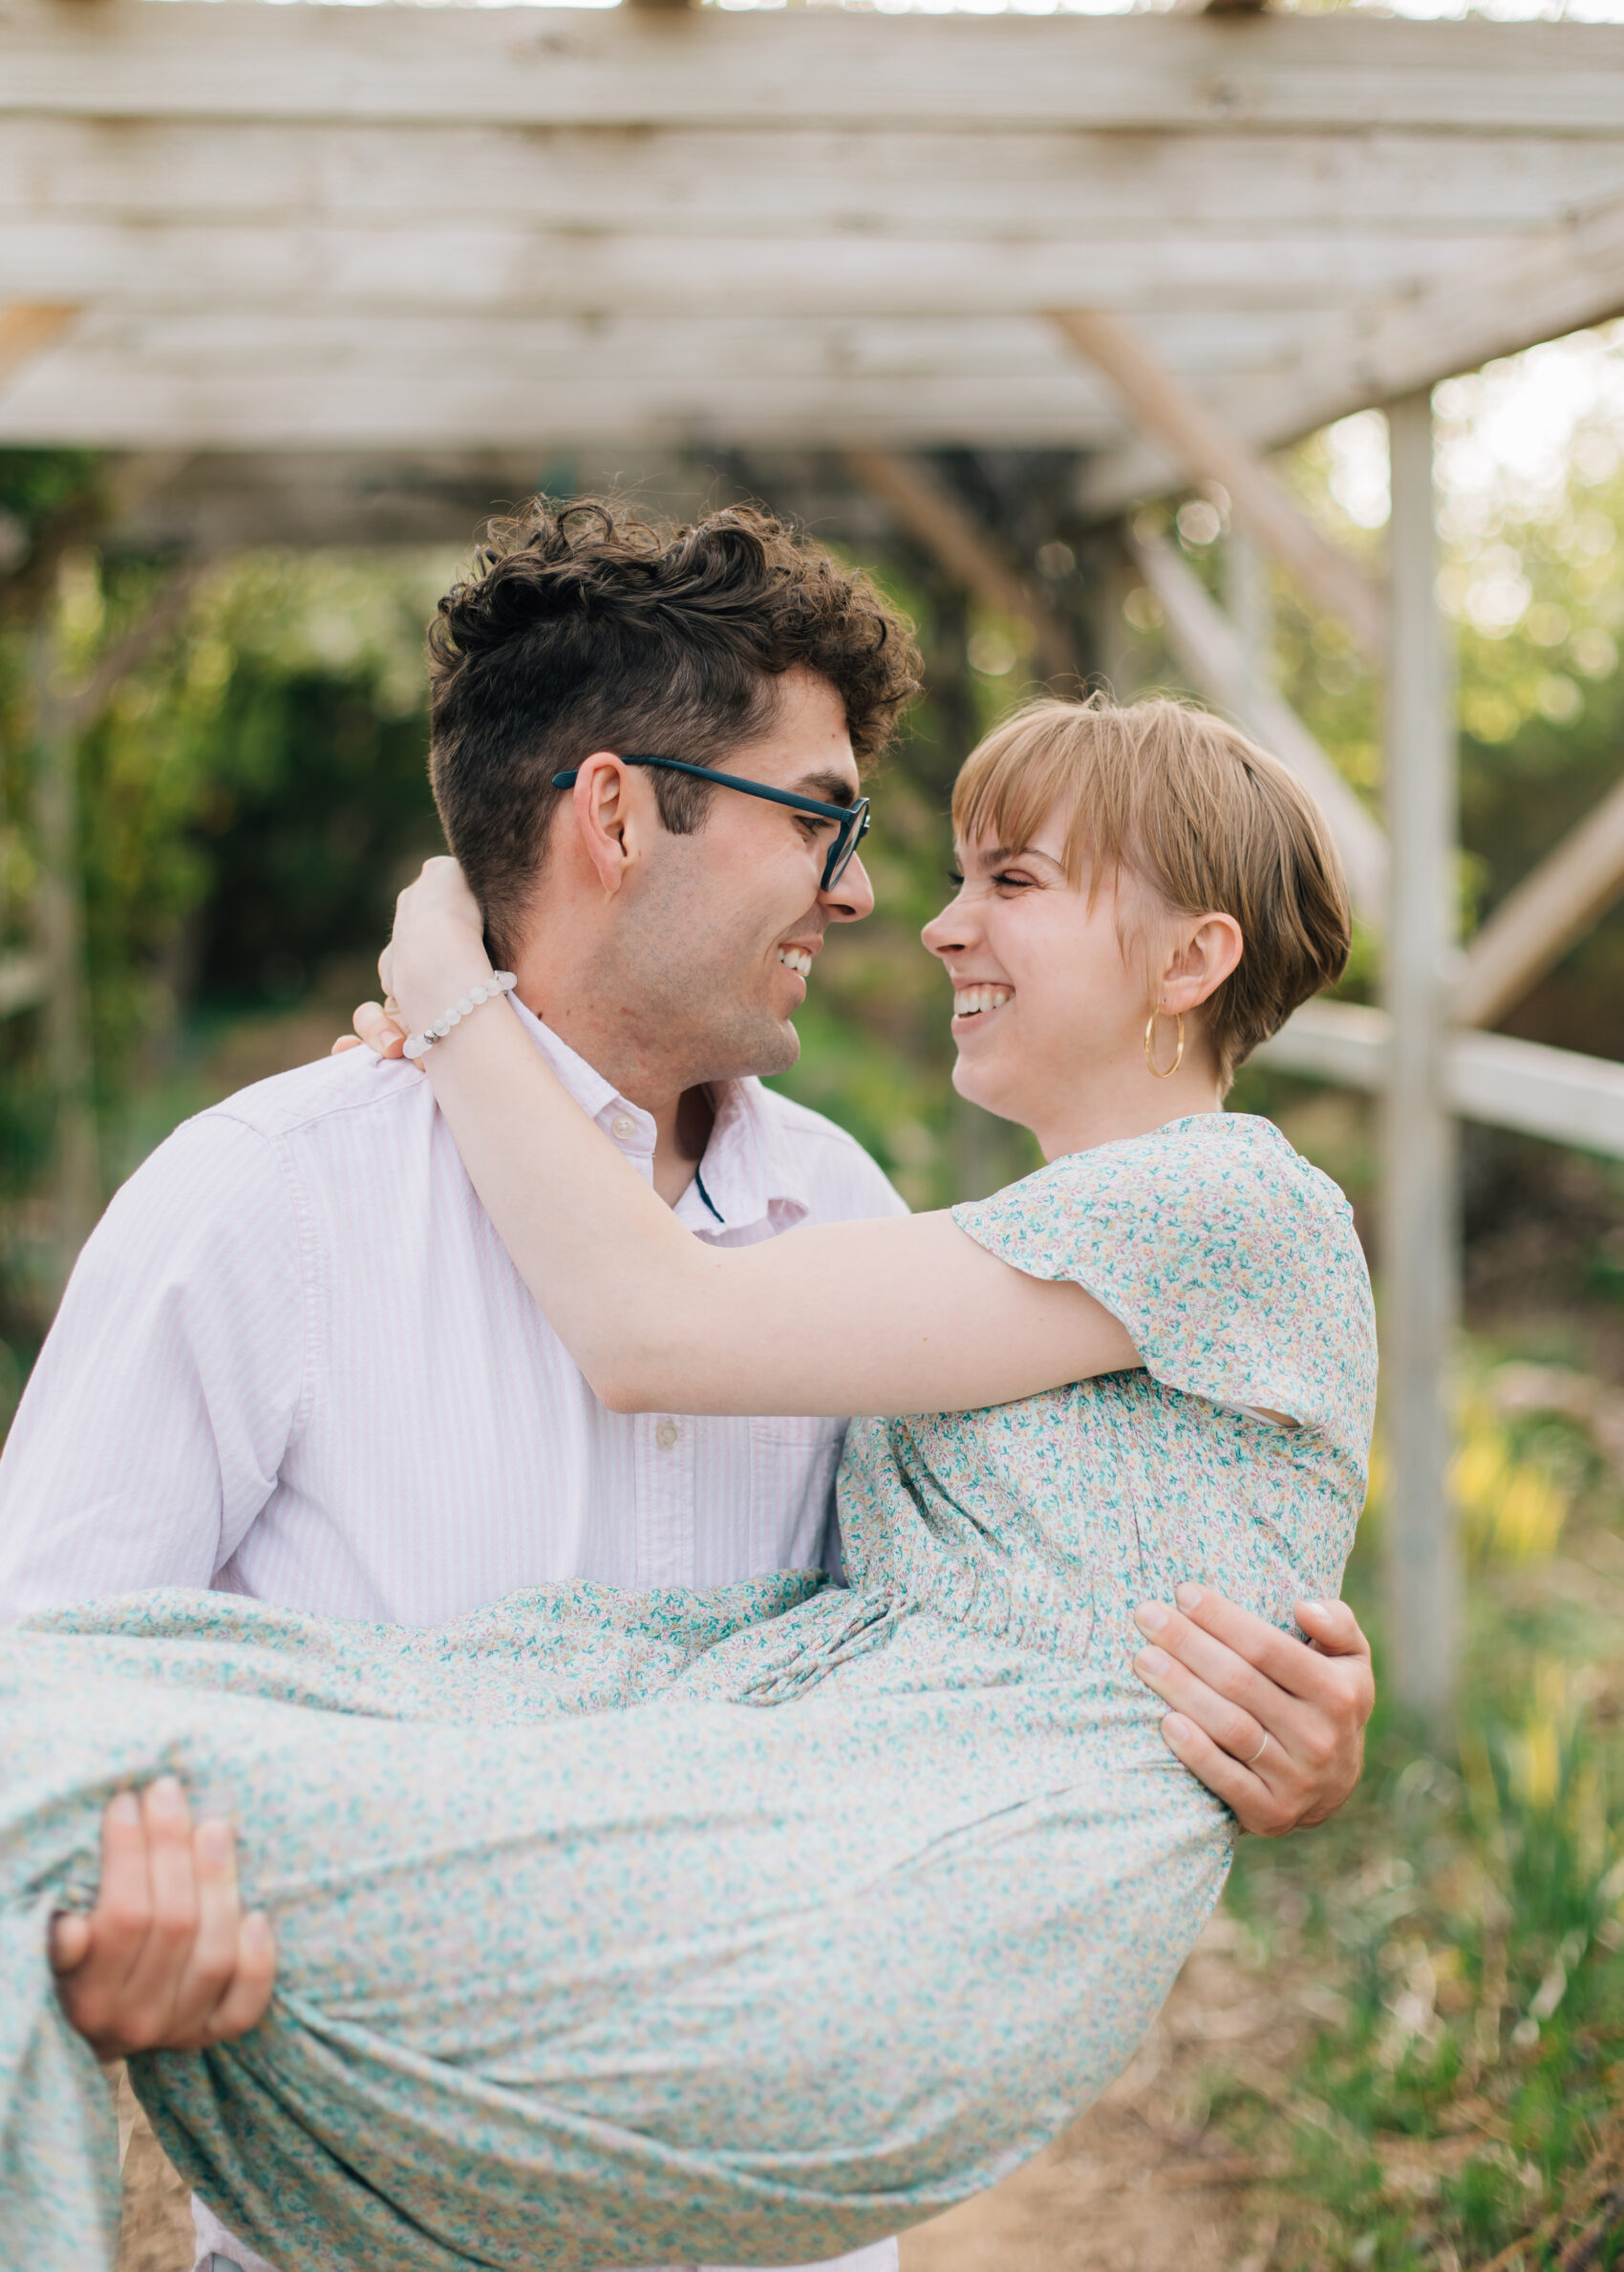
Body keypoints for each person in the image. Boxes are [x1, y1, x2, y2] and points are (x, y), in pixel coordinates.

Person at [4, 689, 1376, 2272]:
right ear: (609, 814)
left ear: (1192, 960)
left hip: (840, 1935)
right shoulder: (284, 1184)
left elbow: (659, 1326)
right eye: (823, 823)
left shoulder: (1028, 1205)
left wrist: (452, 999)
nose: (908, 917)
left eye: (1011, 879)